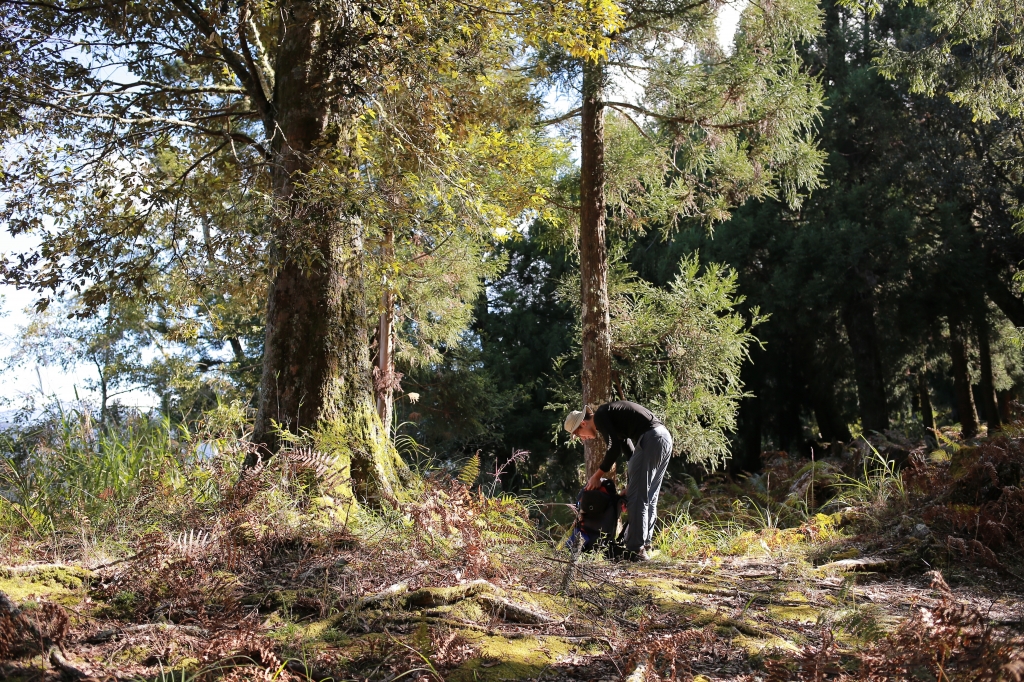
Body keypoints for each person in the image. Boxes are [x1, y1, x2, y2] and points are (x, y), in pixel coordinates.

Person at [564, 401, 673, 561]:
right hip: (663, 438)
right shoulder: (612, 422)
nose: (583, 439)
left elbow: (613, 449)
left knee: (638, 499)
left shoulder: (601, 415)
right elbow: (629, 452)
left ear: (583, 423)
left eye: (579, 434)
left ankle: (635, 550)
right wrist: (630, 485)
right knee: (649, 497)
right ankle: (644, 545)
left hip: (651, 439)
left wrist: (597, 475)